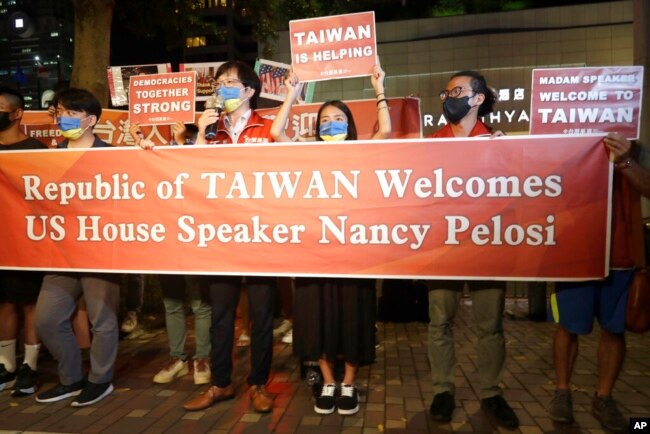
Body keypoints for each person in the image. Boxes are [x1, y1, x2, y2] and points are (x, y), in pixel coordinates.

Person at [269, 64, 390, 415]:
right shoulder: (306, 154)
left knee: (353, 315)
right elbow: (277, 132)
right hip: (313, 254)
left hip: (354, 255)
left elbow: (387, 130)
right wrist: (291, 93)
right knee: (315, 317)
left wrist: (379, 88)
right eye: (324, 120)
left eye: (337, 119)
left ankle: (349, 382)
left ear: (349, 125)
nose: (330, 124)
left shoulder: (361, 153)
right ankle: (327, 380)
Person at [426, 71, 519, 429]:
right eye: (446, 92)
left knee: (491, 325)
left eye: (457, 91)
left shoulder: (497, 143)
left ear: (478, 98)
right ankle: (443, 391)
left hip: (487, 248)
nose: (449, 97)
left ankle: (491, 393)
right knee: (439, 323)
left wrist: (507, 154)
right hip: (443, 249)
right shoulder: (431, 142)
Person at [182, 61, 276, 414]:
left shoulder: (267, 128)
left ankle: (258, 384)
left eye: (230, 82)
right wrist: (198, 139)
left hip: (262, 235)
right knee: (221, 315)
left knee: (261, 316)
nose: (222, 88)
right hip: (220, 236)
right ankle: (221, 384)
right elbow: (191, 178)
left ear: (250, 90)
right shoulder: (210, 129)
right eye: (219, 83)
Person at [547, 132, 649, 432]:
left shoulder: (635, 147)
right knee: (568, 326)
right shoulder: (565, 143)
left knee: (614, 330)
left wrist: (626, 160)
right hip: (574, 253)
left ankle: (604, 397)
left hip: (621, 256)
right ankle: (562, 392)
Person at [34, 88, 120, 407]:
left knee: (103, 320)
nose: (64, 119)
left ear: (91, 120)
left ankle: (100, 380)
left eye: (72, 113)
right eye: (60, 113)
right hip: (62, 253)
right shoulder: (46, 158)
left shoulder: (113, 157)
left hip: (99, 253)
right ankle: (71, 379)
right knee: (47, 318)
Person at [0, 86, 47, 397]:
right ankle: (6, 365)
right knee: (4, 304)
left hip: (30, 244)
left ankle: (30, 366)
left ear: (17, 113)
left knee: (31, 305)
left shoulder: (37, 151)